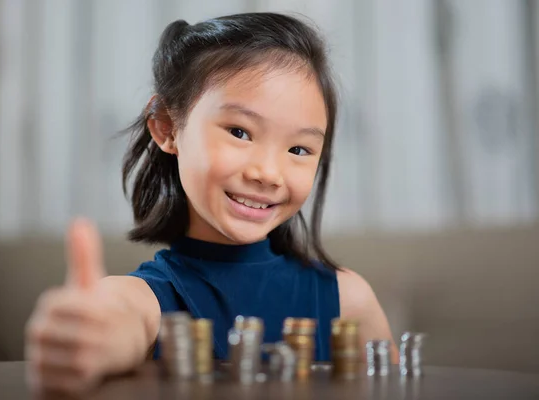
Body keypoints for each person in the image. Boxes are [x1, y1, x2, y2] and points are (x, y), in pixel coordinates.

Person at [24, 12, 397, 394]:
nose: (269, 173)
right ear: (167, 126)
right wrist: (90, 337)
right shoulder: (145, 300)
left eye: (299, 148)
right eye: (239, 132)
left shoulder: (349, 299)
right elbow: (118, 318)